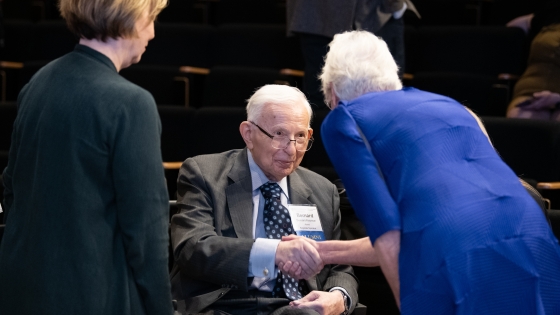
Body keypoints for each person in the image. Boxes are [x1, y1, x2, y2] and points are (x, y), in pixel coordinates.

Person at [283, 30, 560, 314]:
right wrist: (323, 252)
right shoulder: (454, 107)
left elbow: (389, 236)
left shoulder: (345, 120)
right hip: (531, 232)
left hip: (455, 248)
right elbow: (412, 231)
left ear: (333, 93)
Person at [0, 0, 173, 314]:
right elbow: (146, 229)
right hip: (94, 294)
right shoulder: (131, 103)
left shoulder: (37, 83)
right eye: (151, 19)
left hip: (21, 288)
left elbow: (12, 187)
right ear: (132, 19)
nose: (152, 33)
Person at [169, 84, 358, 315]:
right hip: (224, 305)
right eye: (279, 134)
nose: (291, 150)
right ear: (248, 134)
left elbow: (340, 266)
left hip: (295, 308)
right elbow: (192, 249)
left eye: (300, 136)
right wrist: (275, 252)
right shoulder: (204, 174)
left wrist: (339, 296)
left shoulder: (322, 191)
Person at [286, 0, 420, 109]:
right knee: (321, 100)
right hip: (320, 14)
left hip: (318, 14)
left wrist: (395, 6)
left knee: (385, 98)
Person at [505, 1, 560, 120]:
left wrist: (556, 99)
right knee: (524, 122)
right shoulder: (552, 15)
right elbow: (512, 28)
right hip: (530, 91)